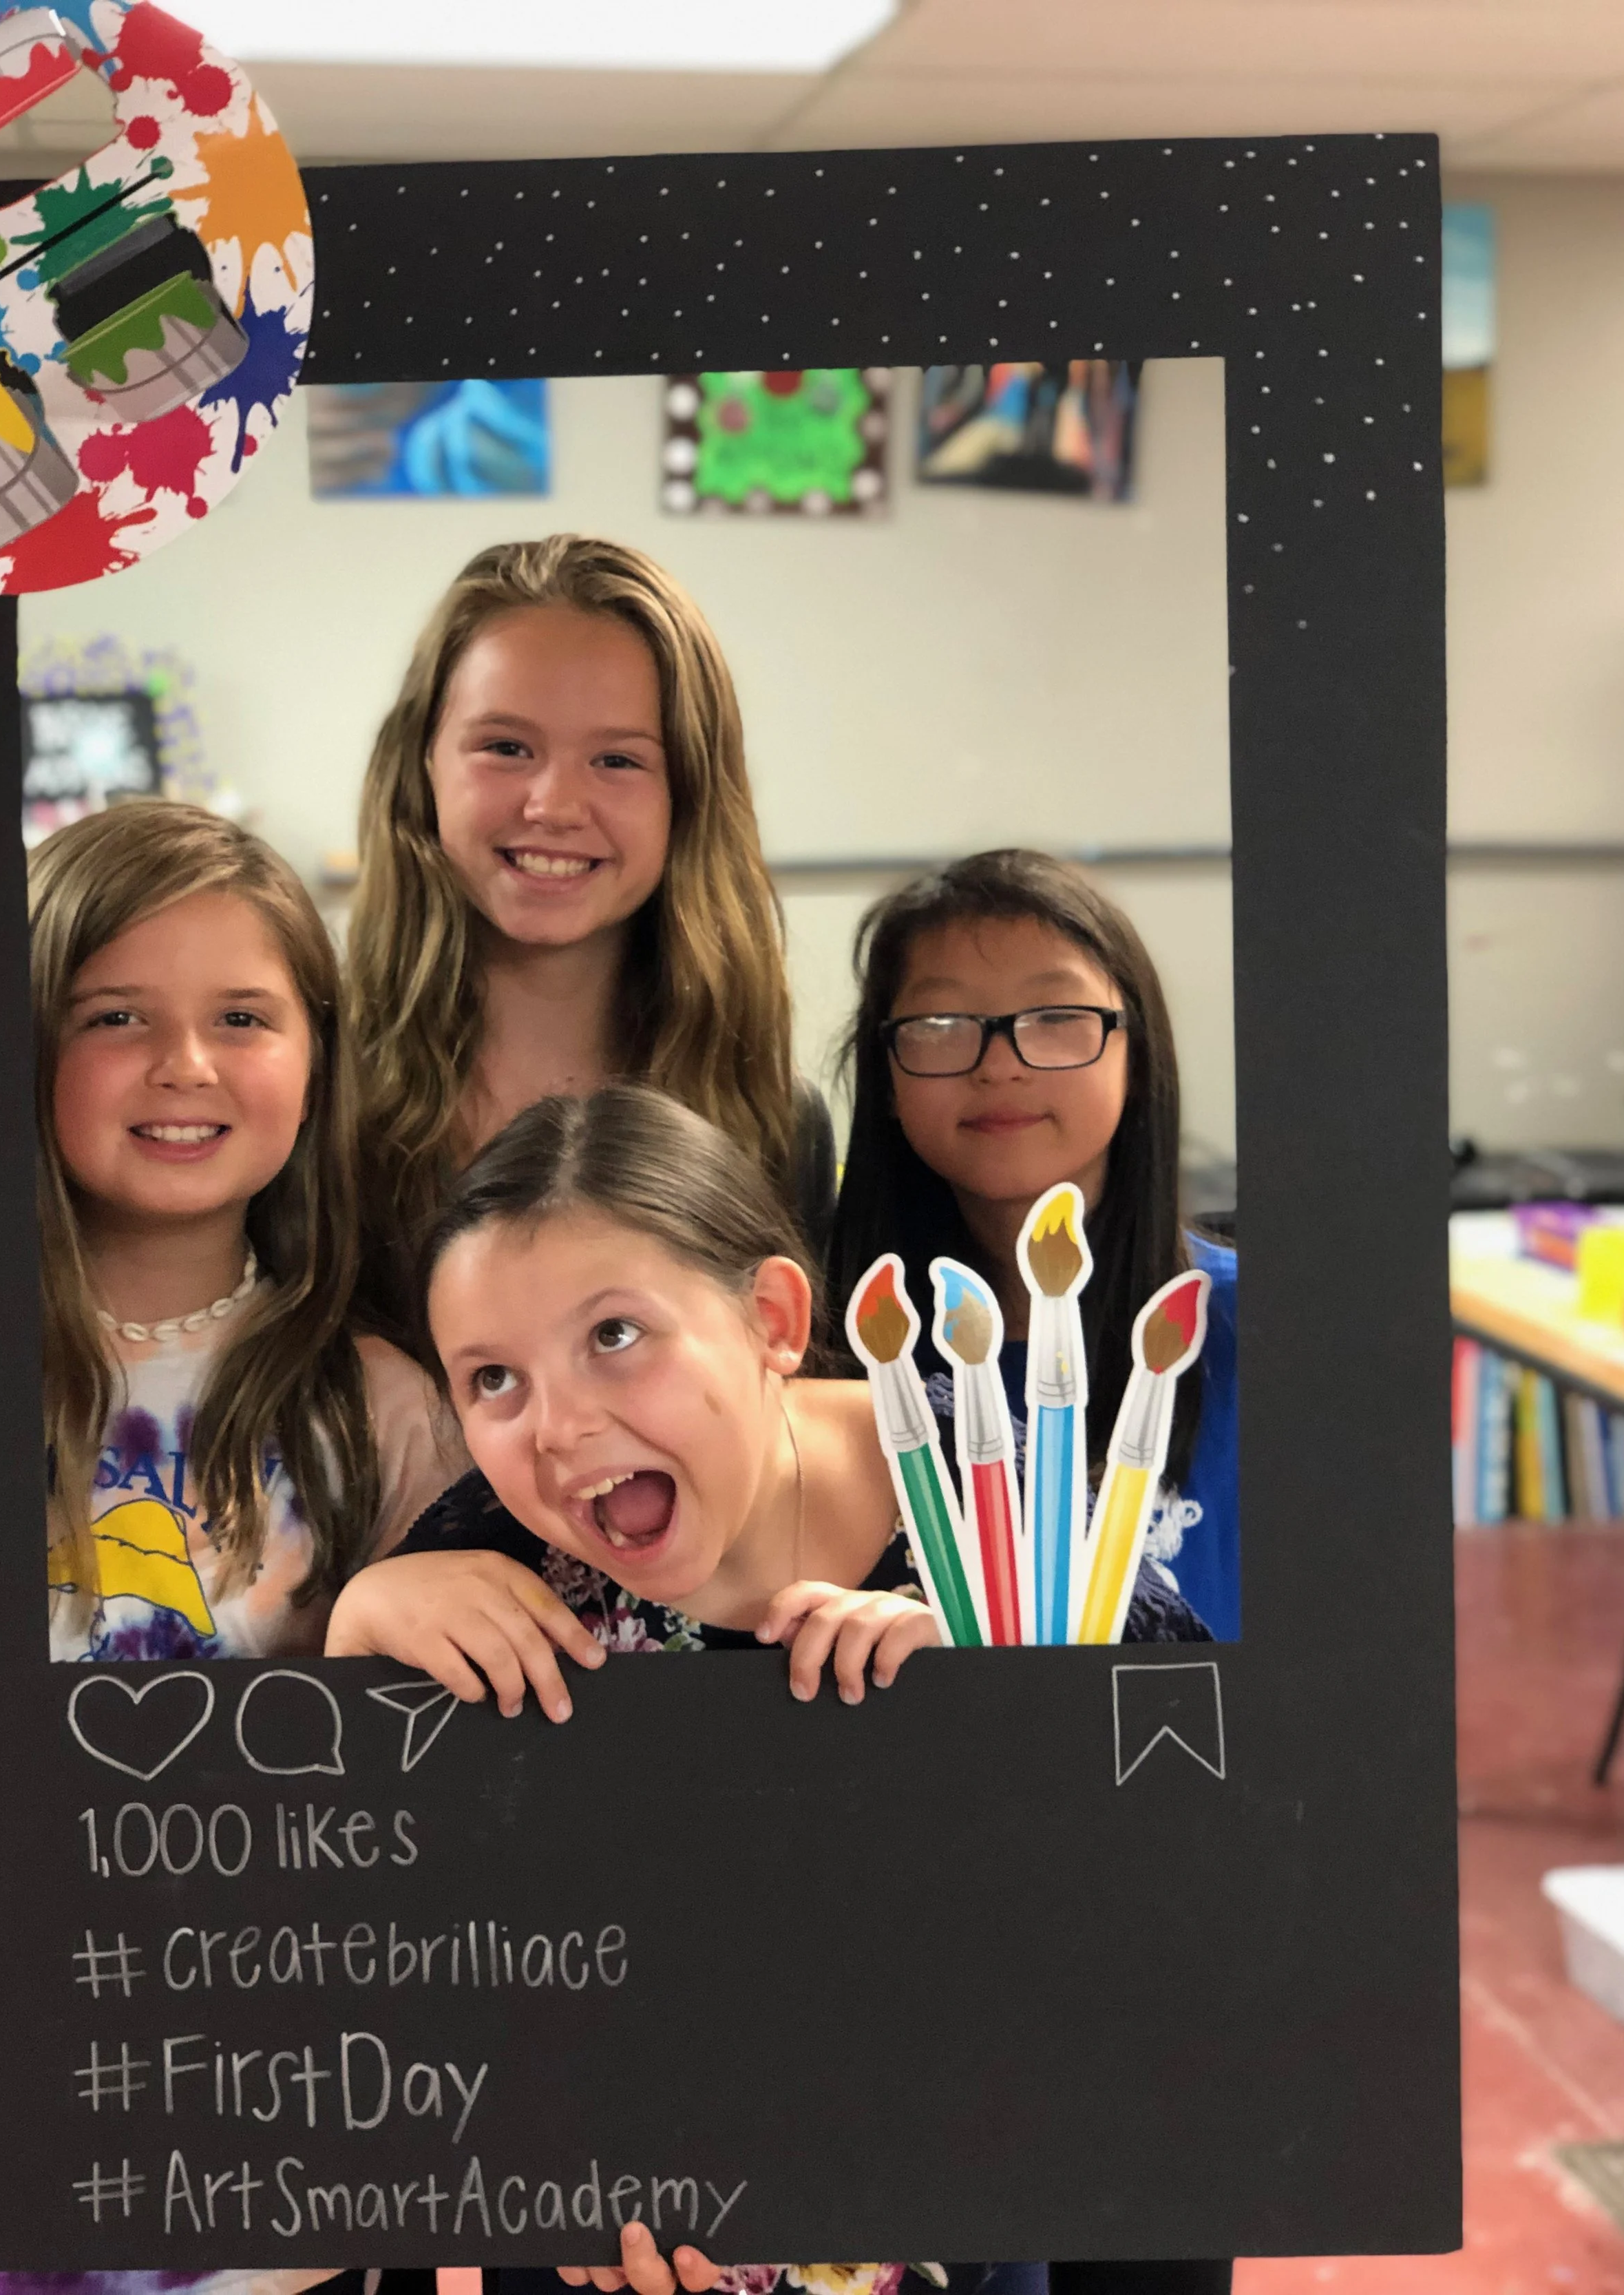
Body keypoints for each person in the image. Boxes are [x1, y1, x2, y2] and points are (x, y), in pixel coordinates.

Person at [327, 1083, 1214, 2295]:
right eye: (492, 1378)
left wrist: (1010, 1695)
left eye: (615, 1334)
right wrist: (365, 1628)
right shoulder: (493, 1545)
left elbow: (1209, 1826)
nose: (559, 1425)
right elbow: (392, 1950)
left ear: (773, 1318)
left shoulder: (991, 1493)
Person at [346, 534, 835, 1346]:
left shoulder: (775, 1119)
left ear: (689, 796)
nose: (554, 804)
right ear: (420, 764)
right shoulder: (309, 1093)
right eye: (506, 748)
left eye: (617, 760)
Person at [34, 801, 458, 1666]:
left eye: (242, 1019)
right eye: (116, 1016)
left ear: (316, 1057)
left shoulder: (380, 1410)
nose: (186, 1065)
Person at [827, 850, 1239, 1648]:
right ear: (885, 1077)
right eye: (940, 1025)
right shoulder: (835, 1355)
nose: (1001, 1065)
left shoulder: (1250, 1328)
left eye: (1055, 1017)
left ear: (1137, 1051)